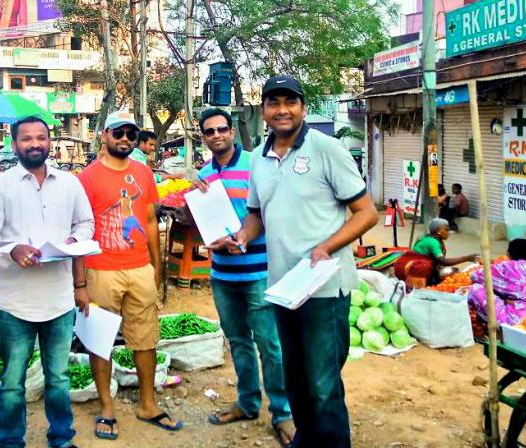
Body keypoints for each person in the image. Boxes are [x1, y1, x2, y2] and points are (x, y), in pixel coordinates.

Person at [222, 76, 378, 447]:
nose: (282, 110)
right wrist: (242, 236)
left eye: (289, 102)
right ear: (263, 111)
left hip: (324, 287)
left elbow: (366, 213)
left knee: (323, 386)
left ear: (303, 107)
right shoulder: (258, 158)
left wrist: (327, 246)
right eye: (273, 103)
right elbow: (258, 214)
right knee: (295, 381)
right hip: (282, 288)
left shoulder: (327, 149)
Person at [0, 116, 92, 448]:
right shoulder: (0, 186)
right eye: (26, 139)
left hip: (58, 300)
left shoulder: (69, 183)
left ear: (50, 142)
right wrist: (13, 250)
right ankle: (10, 440)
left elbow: (85, 223)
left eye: (41, 137)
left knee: (58, 378)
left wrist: (72, 242)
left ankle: (61, 437)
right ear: (14, 144)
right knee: (12, 381)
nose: (35, 144)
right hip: (16, 302)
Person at [76, 111, 182, 440]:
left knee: (145, 337)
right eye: (118, 133)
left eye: (130, 134)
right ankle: (106, 406)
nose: (124, 139)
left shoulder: (143, 174)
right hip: (100, 270)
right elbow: (80, 232)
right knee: (100, 341)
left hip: (139, 269)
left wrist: (157, 266)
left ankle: (147, 404)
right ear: (104, 136)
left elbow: (150, 221)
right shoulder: (87, 178)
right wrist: (79, 282)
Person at [192, 108, 295, 444]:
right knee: (238, 343)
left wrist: (243, 237)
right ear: (203, 137)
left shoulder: (256, 164)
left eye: (222, 129)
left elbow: (275, 210)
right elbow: (203, 226)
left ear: (232, 131)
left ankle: (282, 413)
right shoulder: (204, 175)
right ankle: (248, 402)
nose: (217, 135)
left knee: (270, 345)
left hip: (259, 272)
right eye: (209, 131)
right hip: (222, 274)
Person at [394, 218, 480, 288]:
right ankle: (417, 289)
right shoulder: (433, 242)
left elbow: (437, 261)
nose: (448, 232)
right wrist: (467, 258)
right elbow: (443, 261)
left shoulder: (430, 238)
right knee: (425, 267)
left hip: (408, 265)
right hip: (410, 268)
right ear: (438, 231)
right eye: (446, 230)